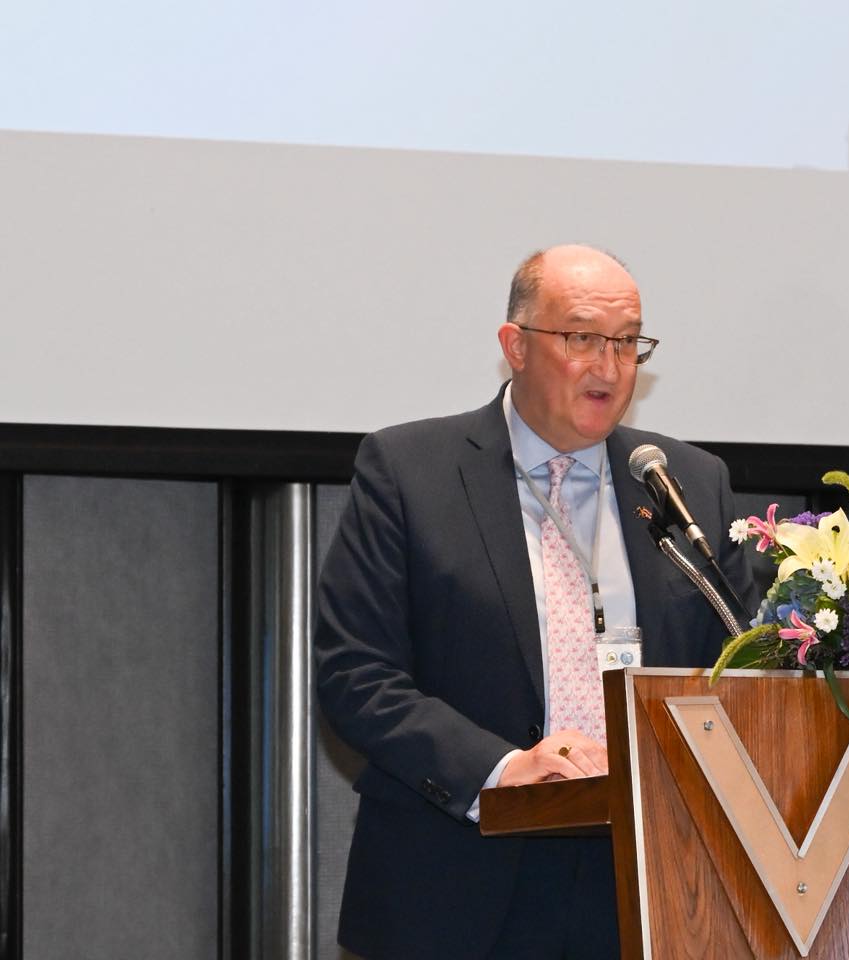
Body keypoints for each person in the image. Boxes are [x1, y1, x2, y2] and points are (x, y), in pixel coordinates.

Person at [314, 244, 756, 959]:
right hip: (460, 876)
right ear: (515, 346)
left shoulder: (684, 484)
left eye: (627, 342)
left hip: (650, 881)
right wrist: (504, 771)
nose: (609, 366)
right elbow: (356, 676)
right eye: (582, 338)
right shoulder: (409, 472)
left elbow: (740, 666)